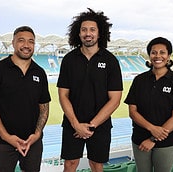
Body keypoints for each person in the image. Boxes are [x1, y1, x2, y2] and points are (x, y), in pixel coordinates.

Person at [57, 8, 123, 172]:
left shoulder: (111, 61)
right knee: (70, 164)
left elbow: (115, 99)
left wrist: (91, 126)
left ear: (99, 33)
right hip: (73, 124)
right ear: (78, 34)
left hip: (100, 125)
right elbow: (63, 95)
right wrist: (76, 124)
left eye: (92, 29)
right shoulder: (69, 60)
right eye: (84, 29)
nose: (88, 33)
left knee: (96, 165)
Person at [0, 26, 51, 172]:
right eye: (21, 40)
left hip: (32, 143)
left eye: (31, 41)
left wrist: (37, 135)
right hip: (2, 143)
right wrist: (6, 137)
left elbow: (44, 107)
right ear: (13, 43)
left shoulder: (40, 72)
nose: (26, 45)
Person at [124, 37, 173, 172]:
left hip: (167, 142)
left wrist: (153, 139)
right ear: (149, 55)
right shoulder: (139, 80)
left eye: (162, 52)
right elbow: (132, 111)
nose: (158, 56)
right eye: (154, 52)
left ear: (169, 56)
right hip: (140, 140)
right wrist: (152, 129)